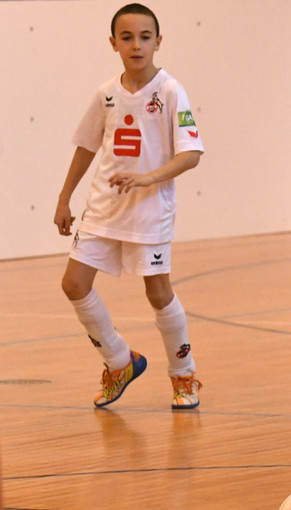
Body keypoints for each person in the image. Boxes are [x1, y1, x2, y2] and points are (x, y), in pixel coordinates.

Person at [52, 3, 204, 410]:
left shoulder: (171, 92)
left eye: (144, 37)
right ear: (113, 43)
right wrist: (64, 198)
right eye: (127, 37)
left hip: (149, 212)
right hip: (103, 208)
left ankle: (183, 374)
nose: (136, 45)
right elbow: (86, 146)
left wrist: (149, 178)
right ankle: (120, 362)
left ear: (158, 42)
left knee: (158, 293)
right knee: (73, 284)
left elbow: (191, 154)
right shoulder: (105, 94)